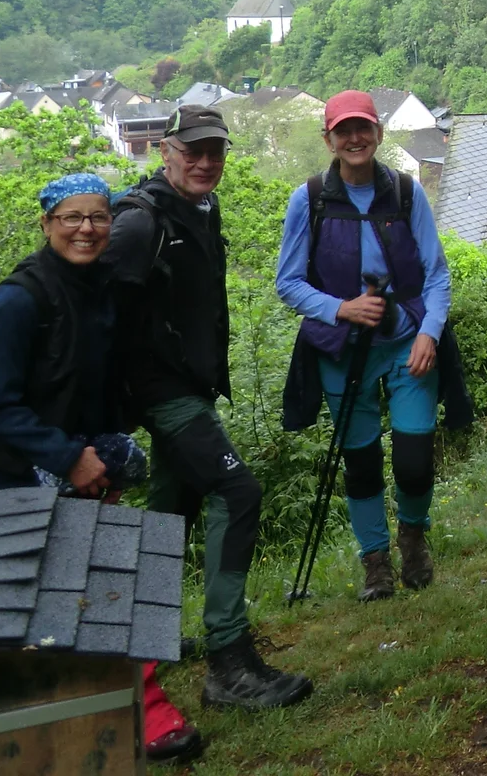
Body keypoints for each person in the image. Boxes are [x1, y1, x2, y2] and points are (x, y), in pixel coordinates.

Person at [0, 173, 199, 763]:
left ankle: (145, 705)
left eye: (98, 216)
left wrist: (102, 451)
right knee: (50, 603)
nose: (87, 228)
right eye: (72, 217)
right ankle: (59, 725)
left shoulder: (102, 288)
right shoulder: (15, 302)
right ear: (48, 223)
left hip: (91, 464)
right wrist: (67, 458)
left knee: (113, 583)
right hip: (30, 478)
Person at [109, 104, 312, 711]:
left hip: (187, 385)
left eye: (214, 152)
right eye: (191, 151)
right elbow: (99, 313)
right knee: (236, 493)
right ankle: (228, 661)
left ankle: (147, 643)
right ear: (163, 151)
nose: (204, 162)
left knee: (171, 509)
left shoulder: (199, 206)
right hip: (158, 390)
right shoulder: (139, 222)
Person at [276, 91, 451, 601]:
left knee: (415, 457)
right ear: (327, 138)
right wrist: (342, 308)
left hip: (404, 339)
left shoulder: (403, 192)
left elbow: (436, 276)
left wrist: (429, 333)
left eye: (363, 128)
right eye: (343, 130)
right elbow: (288, 283)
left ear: (377, 132)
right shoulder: (308, 199)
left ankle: (413, 537)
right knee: (362, 459)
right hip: (340, 347)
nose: (354, 139)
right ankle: (375, 561)